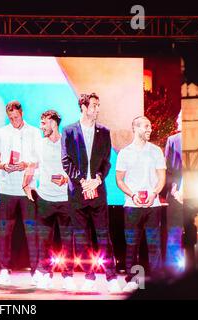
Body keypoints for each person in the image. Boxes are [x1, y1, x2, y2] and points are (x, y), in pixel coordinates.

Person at [61, 93, 121, 293]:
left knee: (103, 234)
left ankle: (111, 276)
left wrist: (96, 179)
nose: (97, 109)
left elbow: (106, 161)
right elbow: (66, 161)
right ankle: (89, 275)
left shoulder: (104, 131)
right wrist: (82, 181)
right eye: (94, 105)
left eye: (98, 105)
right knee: (82, 236)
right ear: (84, 107)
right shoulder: (69, 131)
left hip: (97, 190)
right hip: (77, 192)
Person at [0, 100, 42, 286]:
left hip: (28, 188)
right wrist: (5, 165)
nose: (14, 120)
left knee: (32, 230)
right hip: (6, 188)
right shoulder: (1, 133)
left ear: (22, 113)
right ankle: (4, 269)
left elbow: (39, 160)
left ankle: (36, 270)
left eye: (16, 117)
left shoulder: (35, 132)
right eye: (11, 118)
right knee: (5, 231)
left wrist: (25, 164)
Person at [116, 116, 166, 293]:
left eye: (150, 126)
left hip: (153, 206)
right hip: (132, 205)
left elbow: (162, 177)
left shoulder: (156, 151)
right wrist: (132, 194)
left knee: (154, 245)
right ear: (135, 128)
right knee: (132, 244)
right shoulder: (124, 152)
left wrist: (154, 194)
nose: (149, 129)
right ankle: (133, 280)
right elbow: (119, 180)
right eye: (146, 126)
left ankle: (158, 282)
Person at [32, 110, 74, 290]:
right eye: (41, 123)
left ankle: (68, 275)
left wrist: (66, 177)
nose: (42, 127)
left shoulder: (68, 143)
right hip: (44, 198)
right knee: (44, 240)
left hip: (65, 198)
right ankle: (43, 272)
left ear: (53, 124)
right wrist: (31, 186)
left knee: (67, 239)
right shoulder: (39, 144)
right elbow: (34, 167)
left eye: (44, 123)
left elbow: (75, 168)